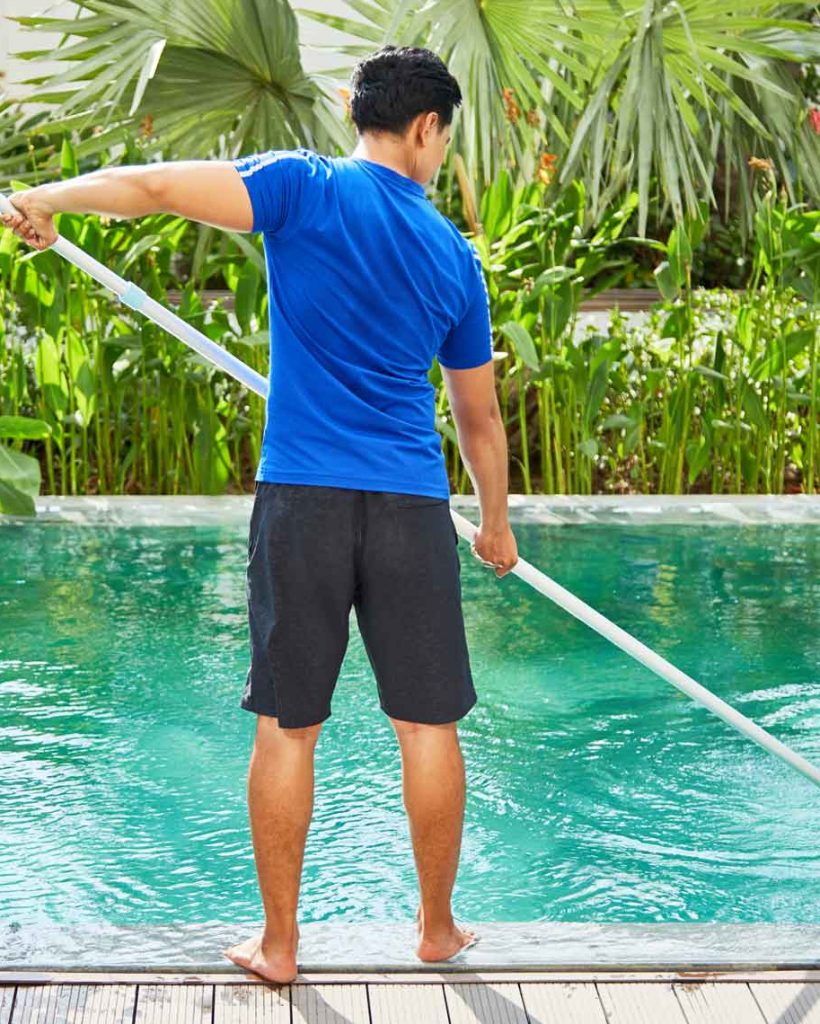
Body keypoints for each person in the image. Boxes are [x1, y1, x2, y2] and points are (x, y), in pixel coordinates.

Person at [2, 44, 519, 985]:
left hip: (305, 501)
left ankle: (279, 947)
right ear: (425, 127)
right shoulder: (454, 257)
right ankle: (437, 928)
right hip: (410, 506)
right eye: (445, 140)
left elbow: (155, 188)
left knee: (288, 726)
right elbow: (479, 419)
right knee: (429, 727)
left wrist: (50, 198)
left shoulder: (302, 188)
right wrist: (495, 525)